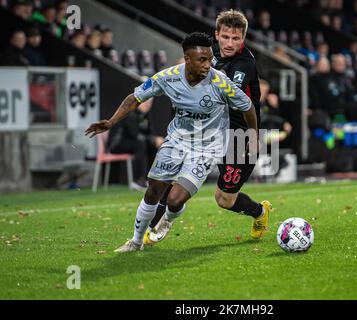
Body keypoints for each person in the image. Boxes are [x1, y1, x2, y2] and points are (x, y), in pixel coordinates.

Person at [85, 32, 259, 252]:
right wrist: (111, 122)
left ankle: (168, 219)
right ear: (187, 59)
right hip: (176, 142)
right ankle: (136, 241)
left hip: (207, 147)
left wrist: (251, 137)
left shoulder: (220, 82)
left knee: (175, 200)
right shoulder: (168, 77)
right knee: (153, 191)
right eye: (202, 60)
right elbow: (135, 97)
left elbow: (248, 107)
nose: (209, 64)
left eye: (210, 58)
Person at [145, 10, 272, 245]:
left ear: (243, 38)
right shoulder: (207, 52)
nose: (229, 43)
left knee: (224, 199)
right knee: (172, 175)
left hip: (239, 137)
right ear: (217, 35)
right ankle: (153, 227)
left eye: (235, 38)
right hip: (207, 132)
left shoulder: (244, 65)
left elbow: (223, 94)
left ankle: (260, 212)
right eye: (225, 37)